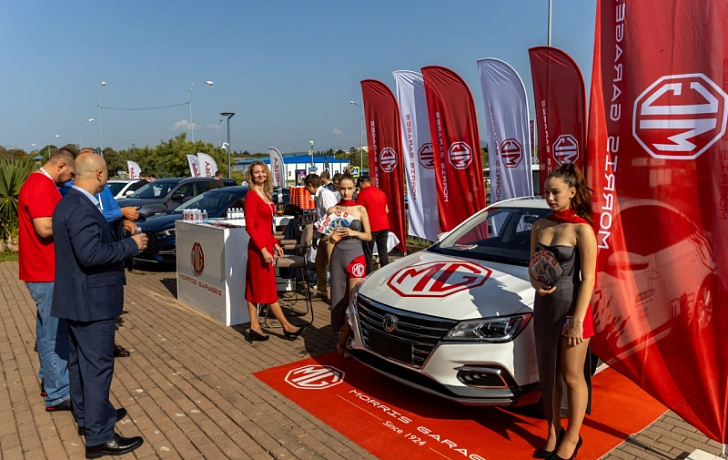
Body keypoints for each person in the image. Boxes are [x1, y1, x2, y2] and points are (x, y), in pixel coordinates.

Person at [51, 152, 147, 458]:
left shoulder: (69, 202)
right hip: (92, 301)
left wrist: (119, 234)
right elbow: (91, 254)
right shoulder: (81, 207)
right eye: (106, 173)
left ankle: (90, 417)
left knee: (81, 363)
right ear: (100, 175)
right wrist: (131, 245)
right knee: (97, 368)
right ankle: (99, 436)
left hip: (77, 298)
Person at [528, 163, 596, 460]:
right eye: (546, 192)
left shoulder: (582, 229)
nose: (550, 198)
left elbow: (589, 278)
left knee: (571, 375)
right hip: (544, 307)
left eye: (555, 192)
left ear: (572, 192)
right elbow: (531, 267)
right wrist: (536, 283)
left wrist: (578, 320)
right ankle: (553, 431)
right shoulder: (540, 226)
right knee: (550, 375)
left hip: (573, 308)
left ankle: (572, 437)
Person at [67, 148, 139, 359]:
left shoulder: (103, 189)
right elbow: (93, 217)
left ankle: (106, 344)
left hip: (109, 259)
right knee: (95, 358)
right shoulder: (73, 194)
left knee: (104, 317)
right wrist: (130, 242)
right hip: (93, 266)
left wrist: (123, 220)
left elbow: (111, 210)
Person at [18, 147, 75, 411]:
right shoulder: (41, 185)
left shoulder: (41, 183)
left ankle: (49, 381)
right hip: (45, 271)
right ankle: (58, 393)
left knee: (47, 330)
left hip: (44, 270)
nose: (71, 179)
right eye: (71, 173)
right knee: (55, 333)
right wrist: (74, 220)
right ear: (61, 166)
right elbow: (43, 227)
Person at [244, 160, 305, 343]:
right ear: (251, 175)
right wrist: (263, 250)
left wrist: (274, 243)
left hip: (266, 246)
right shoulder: (251, 196)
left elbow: (266, 227)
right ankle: (287, 326)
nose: (260, 175)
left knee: (255, 287)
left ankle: (254, 326)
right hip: (258, 250)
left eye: (263, 171)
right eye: (256, 172)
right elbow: (250, 227)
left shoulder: (264, 194)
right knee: (268, 289)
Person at [327, 174, 371, 356]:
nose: (346, 192)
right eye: (342, 188)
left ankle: (344, 341)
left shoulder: (361, 209)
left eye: (349, 188)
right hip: (338, 255)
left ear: (354, 189)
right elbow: (328, 237)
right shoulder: (332, 210)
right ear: (337, 188)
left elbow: (368, 235)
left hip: (356, 256)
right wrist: (332, 238)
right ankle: (344, 338)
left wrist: (354, 232)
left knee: (353, 299)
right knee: (338, 298)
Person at [303, 174, 338, 302]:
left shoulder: (324, 195)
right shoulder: (321, 195)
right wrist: (316, 236)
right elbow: (322, 216)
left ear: (310, 185)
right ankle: (322, 291)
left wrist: (315, 227)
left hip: (330, 234)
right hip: (324, 234)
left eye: (307, 188)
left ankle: (336, 295)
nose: (307, 191)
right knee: (320, 263)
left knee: (332, 265)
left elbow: (330, 215)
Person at [356, 175, 390, 274]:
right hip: (384, 226)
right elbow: (386, 210)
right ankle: (386, 274)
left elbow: (359, 212)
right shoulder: (381, 193)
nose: (360, 187)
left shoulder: (362, 194)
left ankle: (368, 276)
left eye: (359, 185)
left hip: (370, 227)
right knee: (383, 253)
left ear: (362, 183)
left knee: (368, 254)